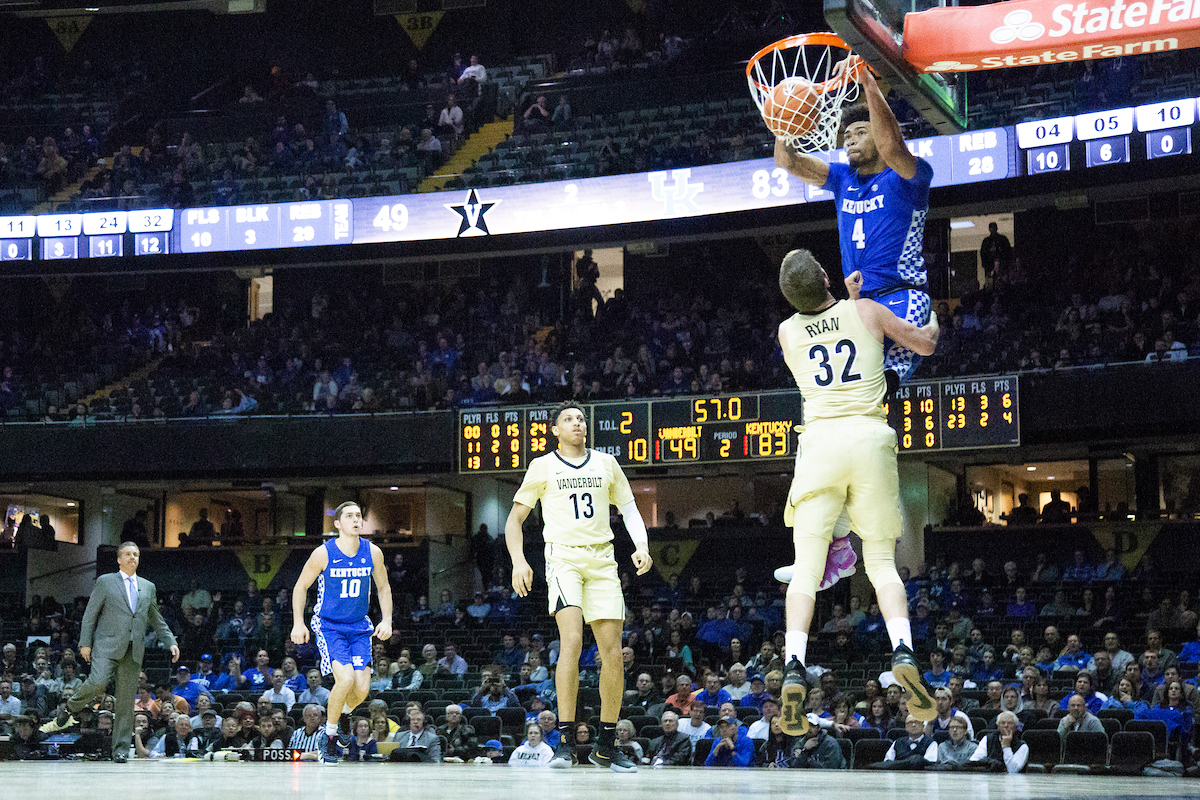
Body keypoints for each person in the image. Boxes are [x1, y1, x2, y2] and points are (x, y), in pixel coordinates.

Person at [772, 249, 939, 734]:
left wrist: (840, 298)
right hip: (867, 439)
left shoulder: (785, 333)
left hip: (820, 444)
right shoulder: (866, 311)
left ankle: (793, 667)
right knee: (882, 563)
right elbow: (923, 345)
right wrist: (933, 320)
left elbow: (818, 324)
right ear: (826, 275)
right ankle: (904, 651)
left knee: (805, 569)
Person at [505, 400, 653, 772]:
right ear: (555, 430)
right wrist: (520, 561)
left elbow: (630, 507)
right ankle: (566, 742)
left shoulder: (606, 463)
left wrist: (642, 546)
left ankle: (606, 745)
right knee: (571, 640)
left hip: (603, 559)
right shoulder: (542, 466)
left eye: (582, 419)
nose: (577, 423)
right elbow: (514, 521)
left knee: (613, 652)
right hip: (564, 559)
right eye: (569, 419)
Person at [290, 501, 393, 763]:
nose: (356, 520)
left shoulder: (373, 552)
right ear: (337, 524)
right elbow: (300, 587)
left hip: (359, 627)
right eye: (349, 516)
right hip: (329, 626)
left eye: (359, 516)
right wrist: (298, 623)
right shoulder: (323, 553)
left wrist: (387, 619)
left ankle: (344, 713)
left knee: (361, 691)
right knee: (345, 679)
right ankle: (329, 736)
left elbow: (383, 587)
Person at [57, 541, 178, 762]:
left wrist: (170, 640)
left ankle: (120, 749)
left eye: (136, 554)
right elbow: (90, 614)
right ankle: (72, 705)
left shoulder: (148, 586)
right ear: (119, 559)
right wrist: (85, 642)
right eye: (128, 554)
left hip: (134, 649)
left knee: (124, 701)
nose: (133, 557)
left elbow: (156, 619)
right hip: (106, 645)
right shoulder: (105, 582)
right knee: (98, 682)